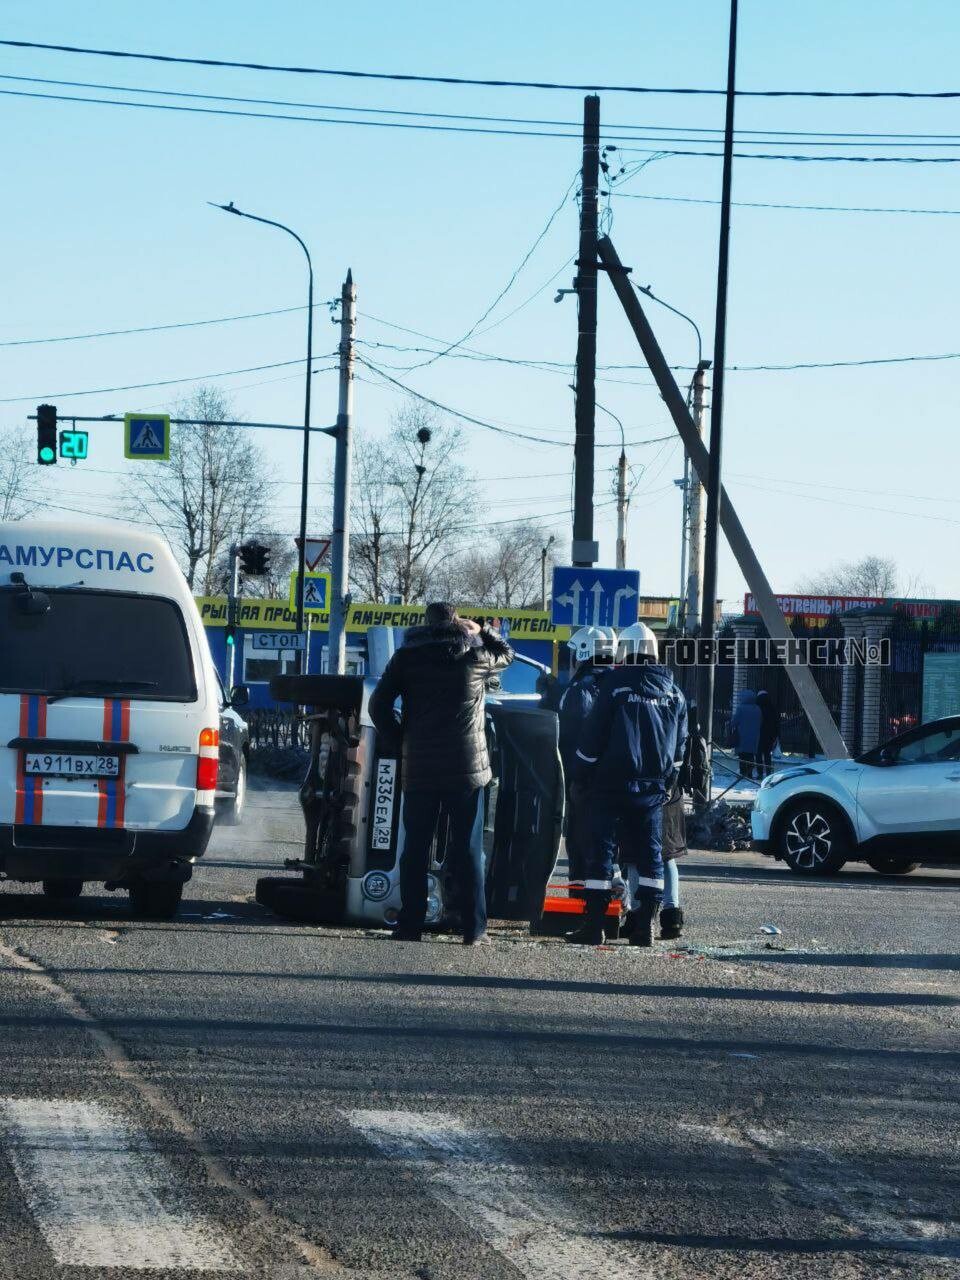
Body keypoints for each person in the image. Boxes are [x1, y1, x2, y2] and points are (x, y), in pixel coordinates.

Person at [369, 602, 513, 944]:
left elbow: (378, 706)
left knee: (415, 848)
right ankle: (474, 928)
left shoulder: (406, 658)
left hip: (420, 767)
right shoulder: (475, 659)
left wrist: (399, 739)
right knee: (467, 848)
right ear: (456, 624)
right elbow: (507, 654)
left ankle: (410, 926)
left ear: (425, 625)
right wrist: (481, 629)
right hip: (466, 769)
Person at [569, 621, 688, 947]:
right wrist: (669, 778)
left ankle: (595, 927)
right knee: (651, 856)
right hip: (651, 789)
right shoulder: (672, 691)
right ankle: (644, 928)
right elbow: (680, 745)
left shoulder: (616, 686)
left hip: (609, 784)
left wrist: (581, 771)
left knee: (602, 854)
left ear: (624, 651)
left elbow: (594, 735)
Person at [557, 626, 617, 883]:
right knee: (607, 845)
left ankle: (582, 905)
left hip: (585, 779)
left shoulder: (580, 690)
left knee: (581, 844)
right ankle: (608, 901)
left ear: (583, 653)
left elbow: (572, 737)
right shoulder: (617, 685)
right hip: (615, 778)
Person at [658, 701, 710, 941]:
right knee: (667, 855)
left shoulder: (633, 693)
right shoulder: (675, 698)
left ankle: (638, 916)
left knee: (634, 854)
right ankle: (672, 916)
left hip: (647, 784)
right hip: (672, 789)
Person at [731, 688, 762, 782]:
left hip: (742, 736)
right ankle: (750, 773)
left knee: (742, 756)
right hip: (754, 737)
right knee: (750, 755)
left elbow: (734, 722)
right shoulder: (757, 708)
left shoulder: (741, 708)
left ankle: (743, 773)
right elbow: (761, 722)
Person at [756, 689, 780, 779]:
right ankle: (769, 773)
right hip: (770, 736)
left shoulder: (757, 708)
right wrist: (776, 735)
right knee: (767, 755)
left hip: (759, 735)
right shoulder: (772, 708)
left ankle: (760, 773)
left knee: (758, 754)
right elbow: (777, 723)